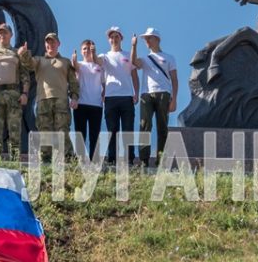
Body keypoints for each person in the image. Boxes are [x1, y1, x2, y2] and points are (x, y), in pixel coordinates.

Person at [19, 33, 79, 161]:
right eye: (48, 42)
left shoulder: (66, 62)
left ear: (58, 44)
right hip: (43, 101)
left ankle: (68, 159)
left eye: (53, 42)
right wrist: (24, 53)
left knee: (62, 131)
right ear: (45, 45)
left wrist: (74, 97)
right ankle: (46, 160)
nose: (50, 44)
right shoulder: (39, 60)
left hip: (61, 101)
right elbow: (28, 63)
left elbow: (73, 82)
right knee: (45, 131)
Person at [0, 23, 30, 158]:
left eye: (5, 33)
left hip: (13, 93)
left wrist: (25, 93)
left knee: (14, 127)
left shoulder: (16, 53)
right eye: (0, 33)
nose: (2, 35)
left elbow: (24, 75)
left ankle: (14, 157)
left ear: (11, 35)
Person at [132, 28, 179, 167]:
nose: (146, 41)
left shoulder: (169, 57)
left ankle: (161, 160)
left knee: (162, 127)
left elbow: (175, 79)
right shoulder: (145, 59)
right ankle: (144, 160)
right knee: (145, 125)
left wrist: (174, 99)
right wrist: (133, 45)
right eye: (145, 39)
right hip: (146, 94)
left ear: (157, 39)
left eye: (149, 38)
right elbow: (134, 62)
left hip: (164, 93)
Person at [100, 26, 139, 166]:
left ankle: (129, 159)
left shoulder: (129, 55)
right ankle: (112, 158)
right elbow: (98, 66)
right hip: (110, 97)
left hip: (127, 97)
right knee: (112, 129)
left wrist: (137, 93)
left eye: (116, 36)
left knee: (128, 128)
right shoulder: (104, 57)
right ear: (109, 39)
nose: (114, 39)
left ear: (121, 38)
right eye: (111, 37)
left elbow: (135, 75)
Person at [72, 40, 105, 159]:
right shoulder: (79, 65)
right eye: (84, 49)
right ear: (81, 51)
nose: (87, 51)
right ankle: (79, 160)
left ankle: (94, 161)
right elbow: (75, 66)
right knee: (80, 135)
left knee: (94, 135)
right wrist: (74, 60)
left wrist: (104, 96)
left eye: (89, 48)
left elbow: (104, 84)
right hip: (81, 104)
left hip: (96, 105)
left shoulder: (100, 66)